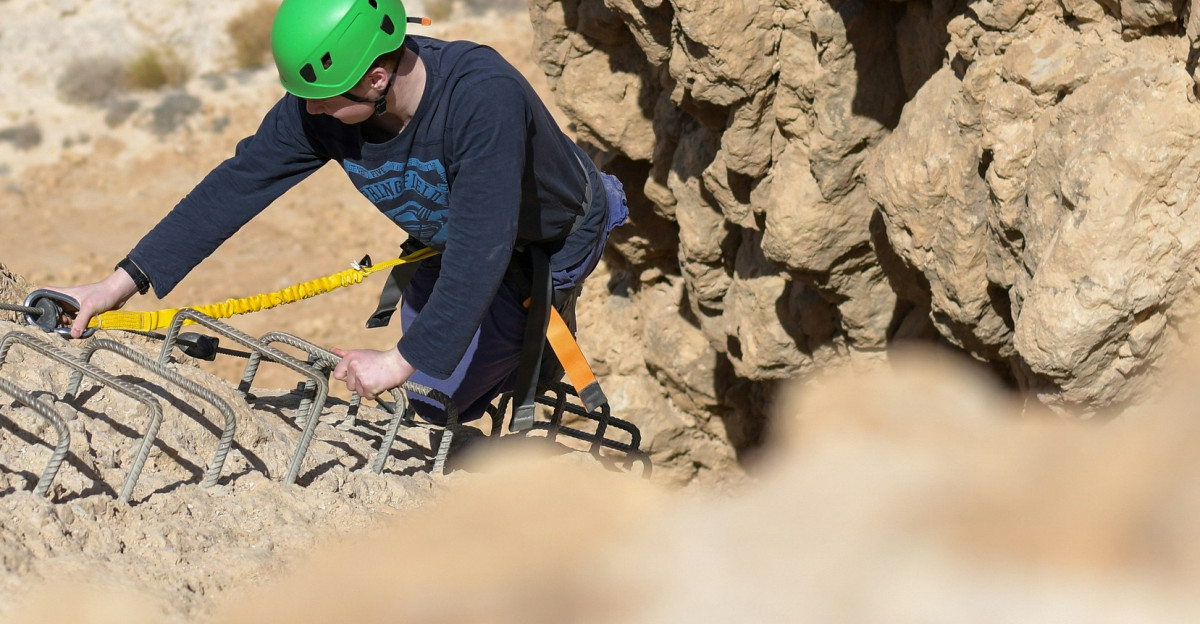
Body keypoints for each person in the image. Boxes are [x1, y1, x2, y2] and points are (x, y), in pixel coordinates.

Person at [50, 0, 627, 426]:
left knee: (431, 397)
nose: (308, 111)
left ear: (376, 78)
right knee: (422, 379)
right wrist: (115, 284)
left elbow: (484, 248)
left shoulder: (482, 97)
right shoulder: (325, 103)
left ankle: (531, 353)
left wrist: (402, 361)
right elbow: (237, 184)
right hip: (451, 236)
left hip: (544, 237)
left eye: (322, 98)